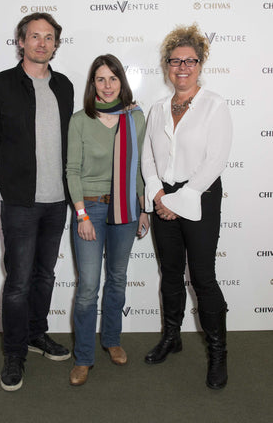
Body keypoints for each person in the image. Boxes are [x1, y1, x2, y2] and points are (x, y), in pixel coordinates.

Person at [0, 12, 74, 391]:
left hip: (56, 202)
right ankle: (14, 353)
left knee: (45, 275)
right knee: (18, 282)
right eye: (34, 36)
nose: (42, 43)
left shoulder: (64, 86)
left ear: (55, 44)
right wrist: (7, 181)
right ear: (21, 41)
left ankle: (37, 335)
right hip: (20, 203)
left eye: (49, 38)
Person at [141, 24, 232, 389]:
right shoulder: (159, 107)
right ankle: (171, 337)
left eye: (189, 60)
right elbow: (148, 155)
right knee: (171, 272)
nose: (182, 67)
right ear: (166, 65)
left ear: (200, 63)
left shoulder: (215, 105)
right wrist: (158, 194)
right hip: (163, 198)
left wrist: (179, 201)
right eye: (175, 61)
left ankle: (218, 355)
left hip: (200, 197)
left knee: (204, 279)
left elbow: (216, 161)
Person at [66, 54, 149, 386]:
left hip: (127, 209)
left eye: (113, 78)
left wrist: (143, 209)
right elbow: (72, 170)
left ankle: (112, 340)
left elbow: (140, 168)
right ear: (92, 84)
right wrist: (81, 214)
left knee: (117, 278)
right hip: (91, 210)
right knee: (88, 288)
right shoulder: (79, 120)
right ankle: (84, 357)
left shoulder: (135, 118)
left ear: (121, 82)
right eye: (100, 79)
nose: (107, 85)